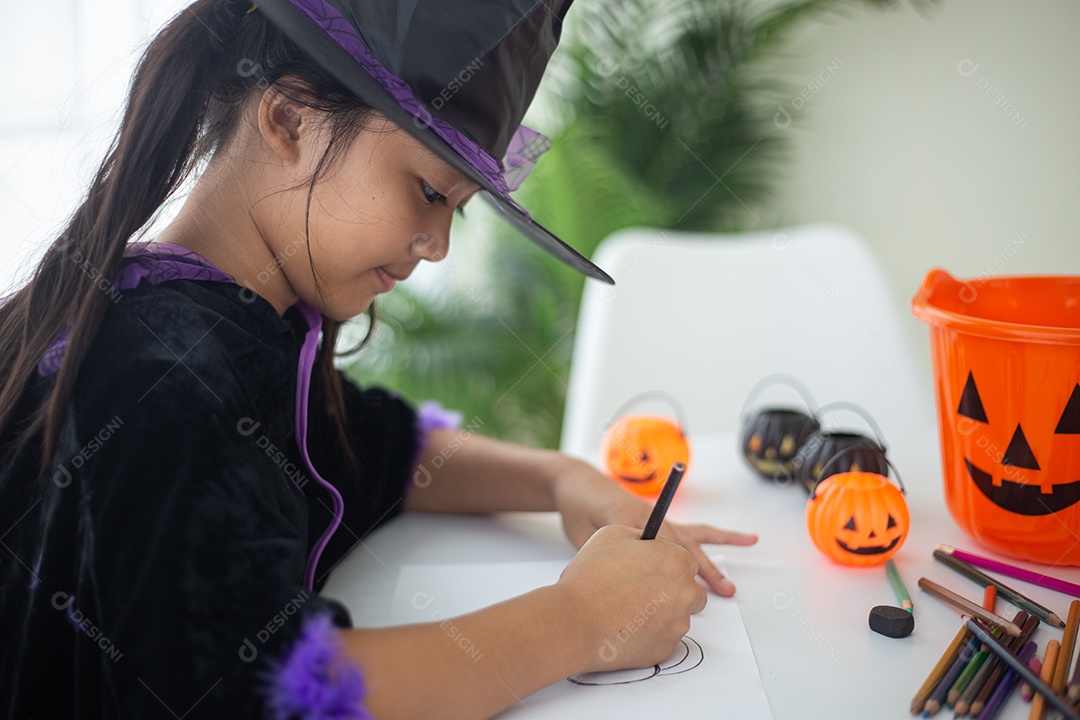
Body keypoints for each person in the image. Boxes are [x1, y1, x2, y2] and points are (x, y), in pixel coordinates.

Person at [0, 1, 757, 718]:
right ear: (288, 119)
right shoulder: (168, 373)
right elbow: (266, 694)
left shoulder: (225, 318)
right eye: (428, 190)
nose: (439, 244)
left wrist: (561, 477)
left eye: (454, 208)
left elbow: (373, 445)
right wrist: (583, 620)